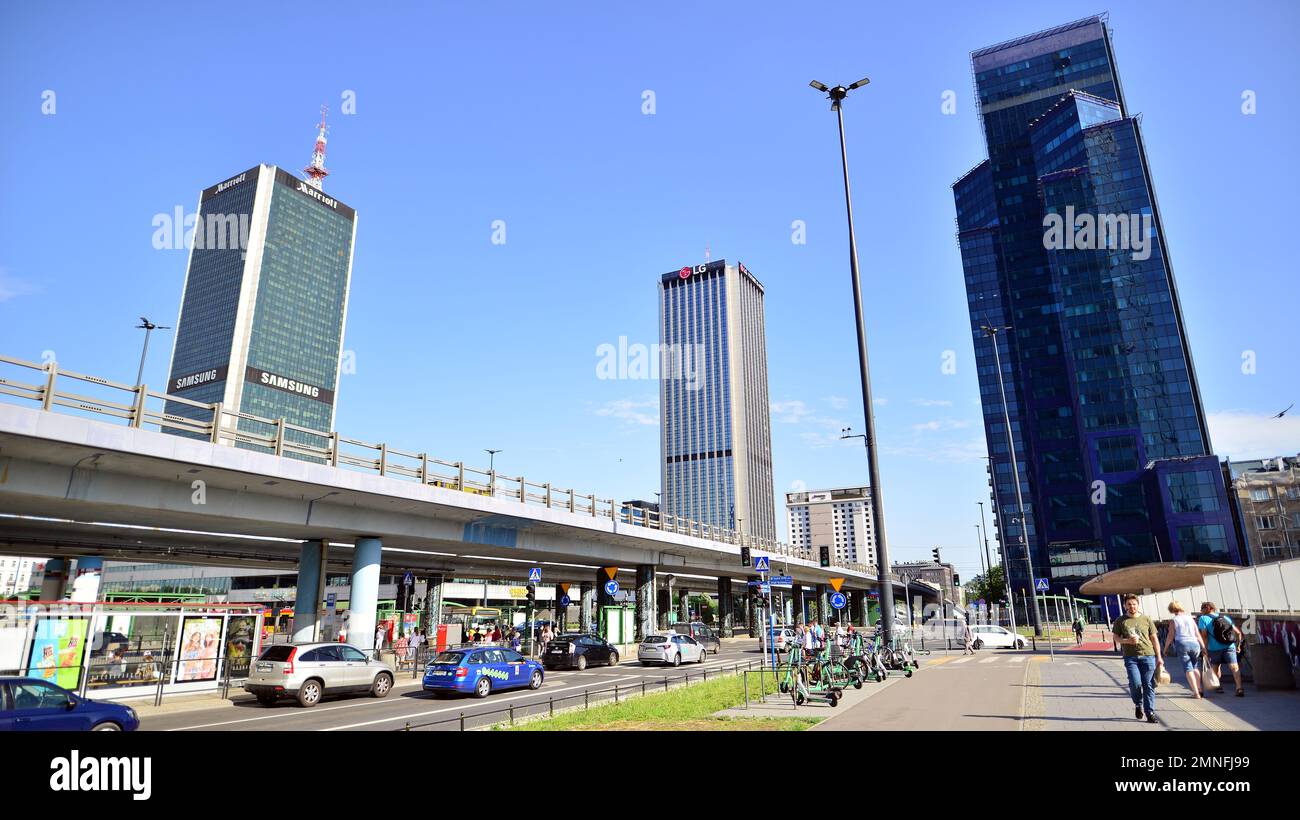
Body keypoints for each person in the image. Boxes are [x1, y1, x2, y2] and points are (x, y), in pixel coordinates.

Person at [1112, 593, 1164, 723]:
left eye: (1134, 604)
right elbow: (1116, 637)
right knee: (1135, 683)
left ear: (1138, 605)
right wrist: (1127, 641)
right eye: (1129, 604)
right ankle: (1137, 704)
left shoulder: (1146, 619)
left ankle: (1150, 712)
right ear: (1125, 606)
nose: (1132, 606)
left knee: (1148, 685)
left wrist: (1159, 657)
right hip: (1131, 657)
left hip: (1148, 655)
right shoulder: (1120, 620)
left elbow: (1154, 639)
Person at [1198, 601, 1245, 697]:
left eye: (1202, 608)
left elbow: (1204, 635)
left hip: (1214, 648)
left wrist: (1204, 649)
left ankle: (1218, 686)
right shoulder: (1224, 617)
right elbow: (1238, 632)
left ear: (1208, 608)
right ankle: (1239, 688)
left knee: (1215, 666)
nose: (1201, 610)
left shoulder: (1203, 618)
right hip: (1229, 646)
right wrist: (1238, 645)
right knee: (1234, 667)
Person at [1162, 600, 1207, 699]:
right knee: (1195, 666)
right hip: (1195, 644)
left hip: (1182, 644)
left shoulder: (1174, 620)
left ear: (1171, 609)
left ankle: (1195, 692)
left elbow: (1170, 635)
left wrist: (1165, 648)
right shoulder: (1191, 618)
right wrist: (1203, 647)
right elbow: (1197, 634)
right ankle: (1199, 689)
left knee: (1188, 668)